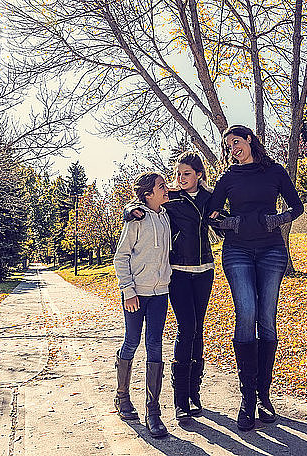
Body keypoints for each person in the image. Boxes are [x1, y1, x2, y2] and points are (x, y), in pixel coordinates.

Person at [207, 125, 304, 431]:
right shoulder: (228, 178)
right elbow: (212, 214)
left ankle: (264, 396)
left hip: (271, 252)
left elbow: (296, 207)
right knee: (246, 314)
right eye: (228, 146)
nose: (232, 148)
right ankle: (247, 398)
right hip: (237, 252)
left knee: (267, 319)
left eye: (236, 142)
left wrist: (273, 221)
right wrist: (236, 224)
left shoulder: (274, 171)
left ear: (249, 139)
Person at [124, 152, 218, 422]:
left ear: (199, 174)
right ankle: (180, 400)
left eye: (186, 173)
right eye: (177, 174)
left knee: (198, 329)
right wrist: (129, 210)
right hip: (178, 271)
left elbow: (222, 215)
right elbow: (139, 202)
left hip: (204, 270)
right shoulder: (171, 197)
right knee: (186, 328)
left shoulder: (209, 197)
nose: (180, 179)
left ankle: (193, 392)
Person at [113, 172, 172, 438]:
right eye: (161, 187)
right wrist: (128, 291)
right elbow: (120, 257)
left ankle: (153, 410)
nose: (166, 188)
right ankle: (122, 397)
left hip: (161, 294)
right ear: (148, 194)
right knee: (132, 342)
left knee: (156, 345)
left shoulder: (166, 216)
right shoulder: (136, 219)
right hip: (136, 295)